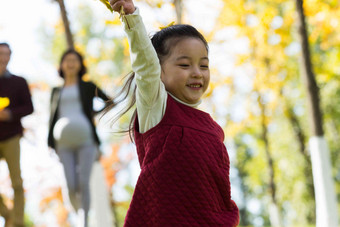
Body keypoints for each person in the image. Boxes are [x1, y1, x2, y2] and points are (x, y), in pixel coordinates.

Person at [106, 1, 240, 226]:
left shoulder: (213, 129)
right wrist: (131, 18)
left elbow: (218, 192)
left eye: (204, 66)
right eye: (185, 65)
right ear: (160, 70)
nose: (197, 73)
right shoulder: (156, 107)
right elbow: (146, 66)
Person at [47, 49, 111, 227]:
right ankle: (77, 215)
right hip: (62, 143)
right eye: (67, 60)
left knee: (84, 182)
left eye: (74, 60)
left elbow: (109, 101)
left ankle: (84, 222)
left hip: (86, 141)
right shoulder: (56, 91)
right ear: (61, 65)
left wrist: (92, 114)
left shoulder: (88, 86)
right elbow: (51, 117)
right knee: (70, 185)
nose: (70, 63)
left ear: (80, 65)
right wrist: (49, 143)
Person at [0, 42, 34, 227]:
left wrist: (10, 114)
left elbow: (29, 107)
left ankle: (18, 222)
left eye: (6, 54)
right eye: (0, 53)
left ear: (10, 56)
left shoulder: (18, 82)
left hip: (12, 136)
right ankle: (7, 215)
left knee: (17, 183)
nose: (3, 57)